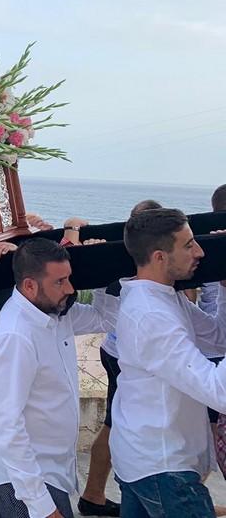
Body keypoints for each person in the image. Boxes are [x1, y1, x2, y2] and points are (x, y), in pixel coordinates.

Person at [0, 238, 117, 518]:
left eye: (69, 278)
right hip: (25, 479)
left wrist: (103, 269)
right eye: (60, 282)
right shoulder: (15, 337)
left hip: (50, 471)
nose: (70, 289)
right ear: (30, 286)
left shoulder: (55, 312)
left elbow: (108, 320)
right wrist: (39, 503)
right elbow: (6, 425)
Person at [111, 208, 226, 517]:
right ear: (160, 257)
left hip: (144, 458)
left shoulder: (162, 298)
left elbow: (217, 338)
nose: (200, 251)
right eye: (188, 245)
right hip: (164, 469)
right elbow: (220, 393)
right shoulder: (152, 315)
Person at [81, 199, 162, 518]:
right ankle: (97, 494)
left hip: (117, 348)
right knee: (119, 425)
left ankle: (96, 494)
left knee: (117, 424)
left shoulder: (122, 255)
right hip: (126, 352)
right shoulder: (140, 261)